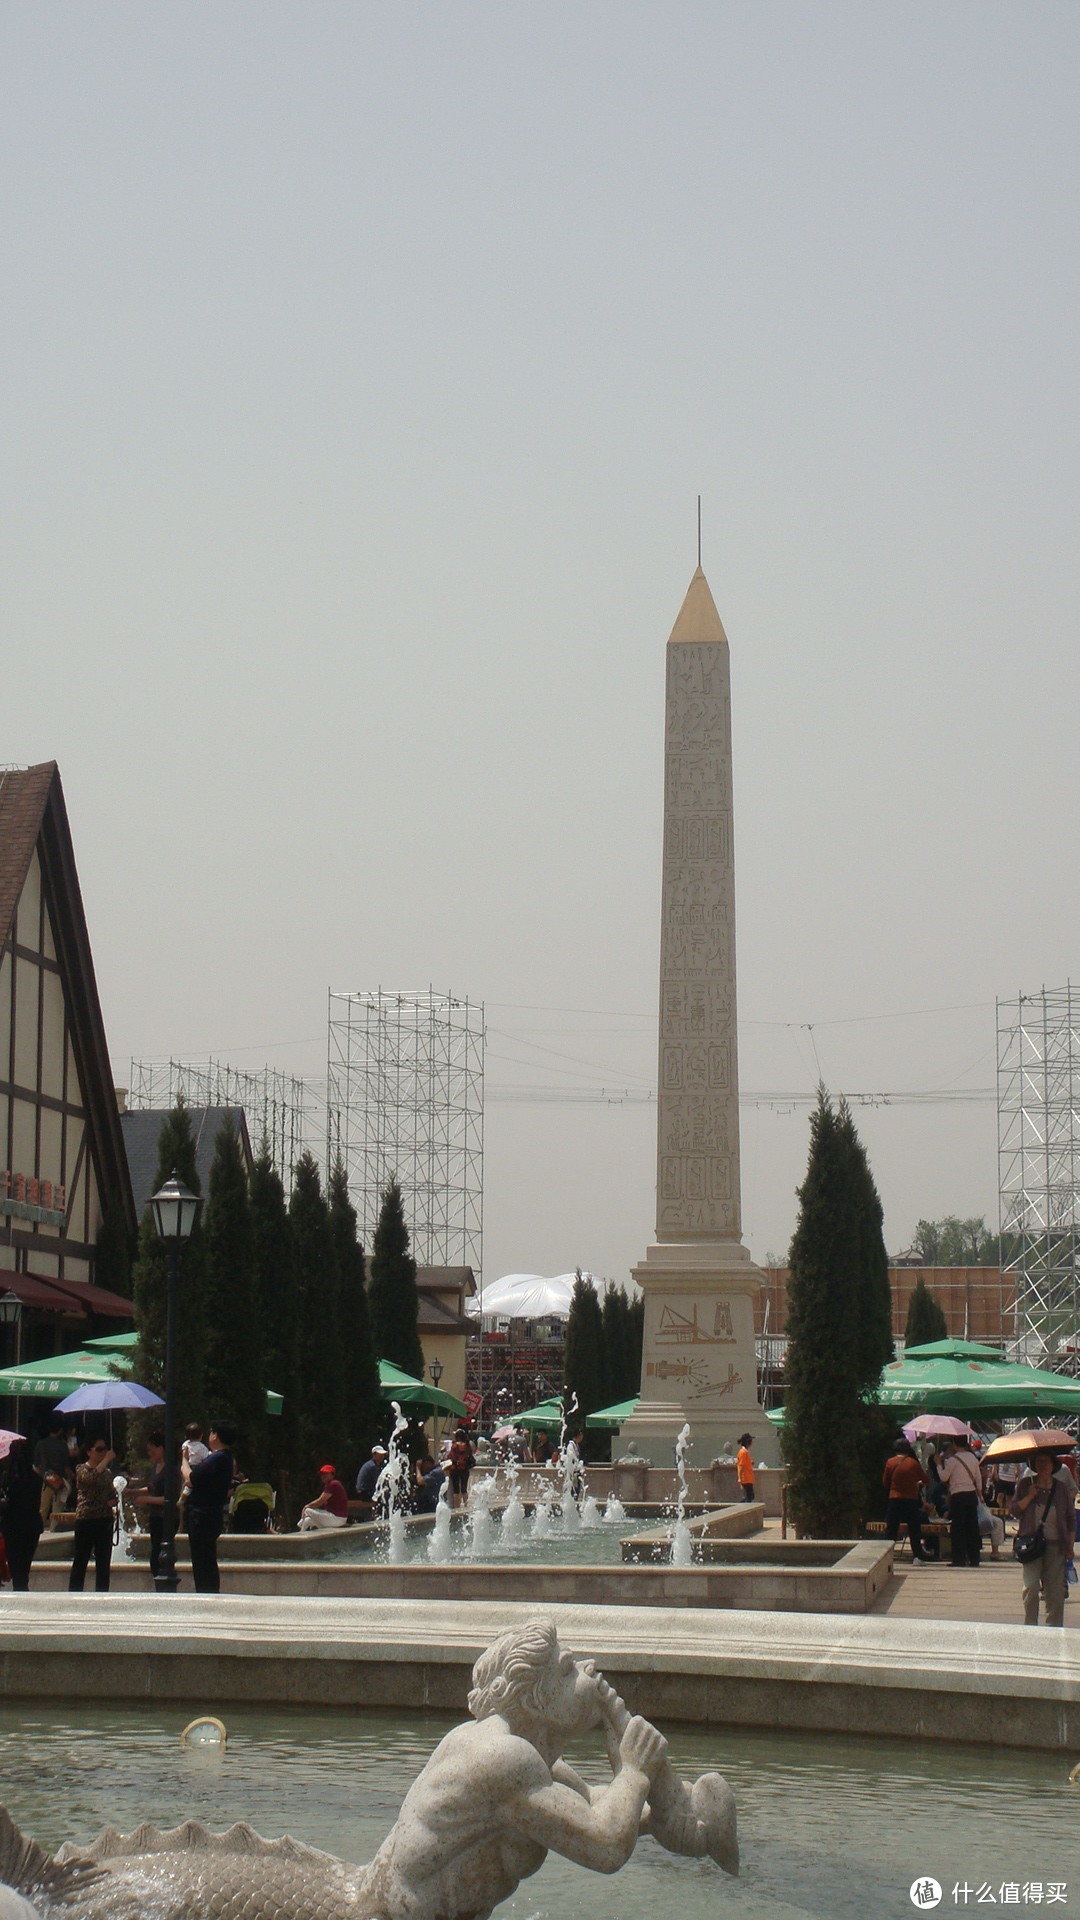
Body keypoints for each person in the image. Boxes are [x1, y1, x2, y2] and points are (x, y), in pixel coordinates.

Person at [1010, 1450, 1077, 1628]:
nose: (1043, 1466)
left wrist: (1070, 1546)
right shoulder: (1025, 1484)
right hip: (1031, 1546)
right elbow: (1015, 1510)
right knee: (1031, 1586)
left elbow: (1070, 1519)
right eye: (1039, 1462)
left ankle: (1053, 1628)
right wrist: (1030, 1496)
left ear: (1053, 1464)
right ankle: (1030, 1625)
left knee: (1055, 1592)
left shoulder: (1061, 1488)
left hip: (1057, 1546)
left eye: (1046, 1462)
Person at [184, 1422, 235, 1593]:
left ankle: (206, 1592)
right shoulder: (226, 1457)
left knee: (202, 1559)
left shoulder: (217, 1458)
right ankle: (210, 1591)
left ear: (216, 1436)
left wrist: (183, 1461)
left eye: (211, 1432)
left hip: (202, 1515)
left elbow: (191, 1479)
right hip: (212, 1514)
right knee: (207, 1558)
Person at [67, 1437, 117, 1592]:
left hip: (104, 1519)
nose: (103, 1452)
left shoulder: (107, 1473)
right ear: (89, 1452)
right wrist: (106, 1460)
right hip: (86, 1519)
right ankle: (75, 1592)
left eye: (105, 1449)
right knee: (81, 1559)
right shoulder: (81, 1469)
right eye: (99, 1449)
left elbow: (111, 1493)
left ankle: (102, 1592)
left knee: (103, 1561)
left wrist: (114, 1500)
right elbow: (89, 1479)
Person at [0, 1440, 43, 1591]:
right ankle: (23, 1590)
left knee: (16, 1567)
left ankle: (20, 1593)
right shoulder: (37, 1479)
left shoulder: (7, 1478)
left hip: (12, 1527)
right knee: (25, 1568)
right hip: (31, 1526)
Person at [938, 1435, 983, 1567]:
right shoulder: (973, 1457)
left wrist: (938, 1465)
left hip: (958, 1495)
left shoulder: (953, 1460)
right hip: (971, 1495)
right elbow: (978, 1477)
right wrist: (980, 1493)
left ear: (954, 1443)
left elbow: (944, 1477)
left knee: (958, 1528)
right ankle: (974, 1558)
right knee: (972, 1528)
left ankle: (959, 1558)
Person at [881, 1439, 930, 1561]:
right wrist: (918, 1484)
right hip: (911, 1499)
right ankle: (918, 1556)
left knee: (891, 1529)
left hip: (895, 1498)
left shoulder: (890, 1462)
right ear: (908, 1449)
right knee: (914, 1529)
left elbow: (885, 1482)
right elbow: (925, 1479)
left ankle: (887, 1557)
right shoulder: (913, 1463)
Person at [133, 1433, 168, 1580]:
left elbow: (169, 1499)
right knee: (155, 1552)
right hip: (154, 1517)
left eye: (151, 1449)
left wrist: (146, 1499)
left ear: (161, 1448)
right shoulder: (156, 1467)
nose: (149, 1453)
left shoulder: (171, 1469)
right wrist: (132, 1492)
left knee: (159, 1555)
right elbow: (151, 1489)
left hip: (165, 1518)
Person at [32, 1419, 71, 1529]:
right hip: (60, 1481)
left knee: (43, 1508)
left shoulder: (41, 1444)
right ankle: (54, 1529)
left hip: (46, 1480)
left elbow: (35, 1466)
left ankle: (37, 1530)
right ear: (59, 1430)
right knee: (57, 1509)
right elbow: (66, 1465)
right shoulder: (63, 1445)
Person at [298, 1464, 349, 1531]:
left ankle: (300, 1523)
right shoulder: (329, 1485)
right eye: (322, 1474)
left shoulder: (333, 1484)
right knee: (308, 1520)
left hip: (337, 1518)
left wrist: (306, 1506)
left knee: (308, 1510)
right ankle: (301, 1535)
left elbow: (320, 1501)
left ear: (332, 1475)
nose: (323, 1476)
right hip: (335, 1518)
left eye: (325, 1473)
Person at [354, 1445, 388, 1514]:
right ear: (374, 1454)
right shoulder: (372, 1466)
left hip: (365, 1491)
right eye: (380, 1454)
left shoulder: (372, 1464)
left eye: (383, 1454)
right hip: (365, 1492)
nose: (382, 1456)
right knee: (386, 1494)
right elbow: (379, 1482)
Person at [448, 1427, 475, 1509]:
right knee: (464, 1489)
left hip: (455, 1469)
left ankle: (457, 1507)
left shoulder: (455, 1446)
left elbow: (451, 1456)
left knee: (456, 1490)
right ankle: (466, 1505)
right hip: (465, 1469)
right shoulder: (467, 1446)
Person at [735, 1433, 756, 1504]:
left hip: (748, 1478)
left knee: (750, 1496)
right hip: (746, 1479)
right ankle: (740, 1506)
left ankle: (741, 1505)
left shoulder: (745, 1452)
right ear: (748, 1443)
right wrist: (740, 1478)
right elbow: (741, 1466)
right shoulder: (743, 1452)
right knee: (749, 1497)